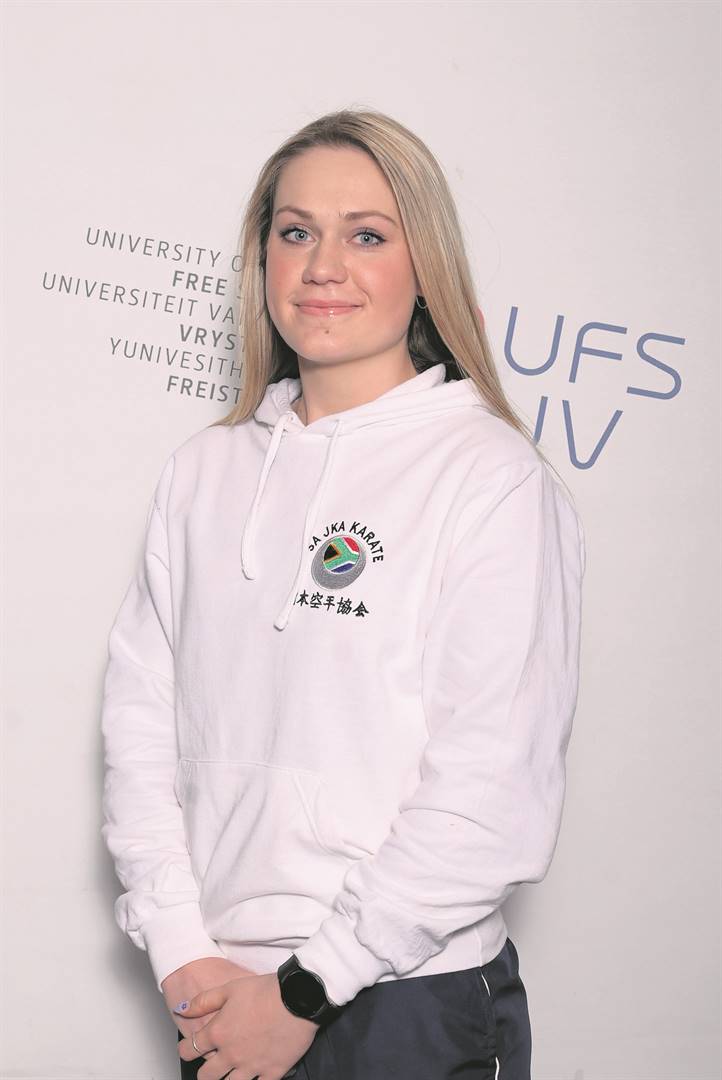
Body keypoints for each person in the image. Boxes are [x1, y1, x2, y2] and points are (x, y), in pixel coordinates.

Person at [100, 108, 586, 1080]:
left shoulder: (488, 477)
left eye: (366, 235)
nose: (323, 266)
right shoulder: (201, 472)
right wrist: (181, 949)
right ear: (263, 258)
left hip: (407, 1001)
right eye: (296, 232)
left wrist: (308, 990)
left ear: (424, 267)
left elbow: (488, 791)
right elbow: (141, 724)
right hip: (222, 996)